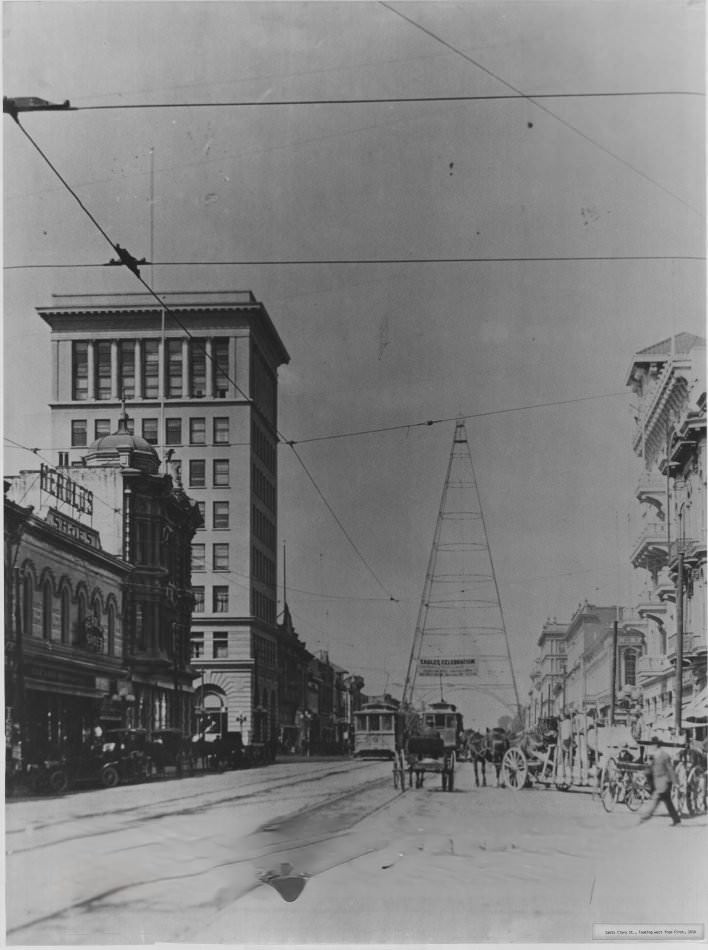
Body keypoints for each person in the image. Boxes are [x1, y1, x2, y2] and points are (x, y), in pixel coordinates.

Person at [640, 736, 681, 825]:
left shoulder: (664, 756)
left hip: (664, 782)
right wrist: (645, 773)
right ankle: (676, 819)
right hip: (658, 782)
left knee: (656, 798)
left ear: (657, 745)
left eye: (653, 745)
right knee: (668, 802)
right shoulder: (653, 756)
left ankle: (645, 816)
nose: (652, 747)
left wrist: (676, 782)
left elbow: (670, 769)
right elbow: (650, 769)